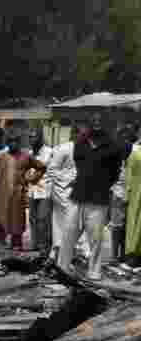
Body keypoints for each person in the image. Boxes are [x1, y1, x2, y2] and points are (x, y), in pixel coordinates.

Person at [59, 113, 126, 280]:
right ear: (89, 124)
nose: (96, 124)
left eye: (100, 121)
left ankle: (94, 271)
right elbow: (79, 164)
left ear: (106, 124)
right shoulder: (80, 143)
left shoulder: (113, 147)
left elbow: (115, 173)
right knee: (68, 234)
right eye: (93, 121)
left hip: (98, 199)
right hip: (77, 196)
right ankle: (62, 267)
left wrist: (101, 184)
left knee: (95, 239)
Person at [0, 130, 47, 250]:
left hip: (18, 195)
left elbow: (41, 168)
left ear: (19, 143)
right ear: (7, 142)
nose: (13, 144)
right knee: (1, 221)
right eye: (10, 141)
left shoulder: (26, 157)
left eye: (15, 141)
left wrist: (32, 178)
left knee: (17, 223)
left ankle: (17, 249)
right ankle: (0, 248)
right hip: (2, 195)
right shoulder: (1, 157)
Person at [47, 123, 81, 263]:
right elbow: (52, 169)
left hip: (77, 192)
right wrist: (70, 179)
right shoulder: (64, 148)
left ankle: (68, 252)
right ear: (73, 134)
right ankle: (57, 250)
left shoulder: (86, 149)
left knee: (74, 222)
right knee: (62, 222)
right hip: (62, 191)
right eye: (79, 134)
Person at [109, 122, 138, 265]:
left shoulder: (135, 150)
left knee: (128, 225)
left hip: (132, 193)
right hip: (119, 192)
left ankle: (124, 255)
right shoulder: (118, 150)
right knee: (117, 225)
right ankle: (115, 255)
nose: (126, 138)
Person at [25, 128, 54, 254]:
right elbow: (26, 172)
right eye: (30, 137)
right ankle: (34, 244)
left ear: (41, 138)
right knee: (33, 219)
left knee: (43, 219)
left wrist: (31, 176)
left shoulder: (49, 152)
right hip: (32, 191)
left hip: (45, 191)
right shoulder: (30, 153)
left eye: (34, 137)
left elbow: (48, 171)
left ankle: (45, 246)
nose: (32, 139)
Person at [123, 126, 141, 268]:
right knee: (134, 224)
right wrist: (127, 195)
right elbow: (128, 176)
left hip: (136, 192)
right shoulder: (135, 152)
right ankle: (132, 255)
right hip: (136, 194)